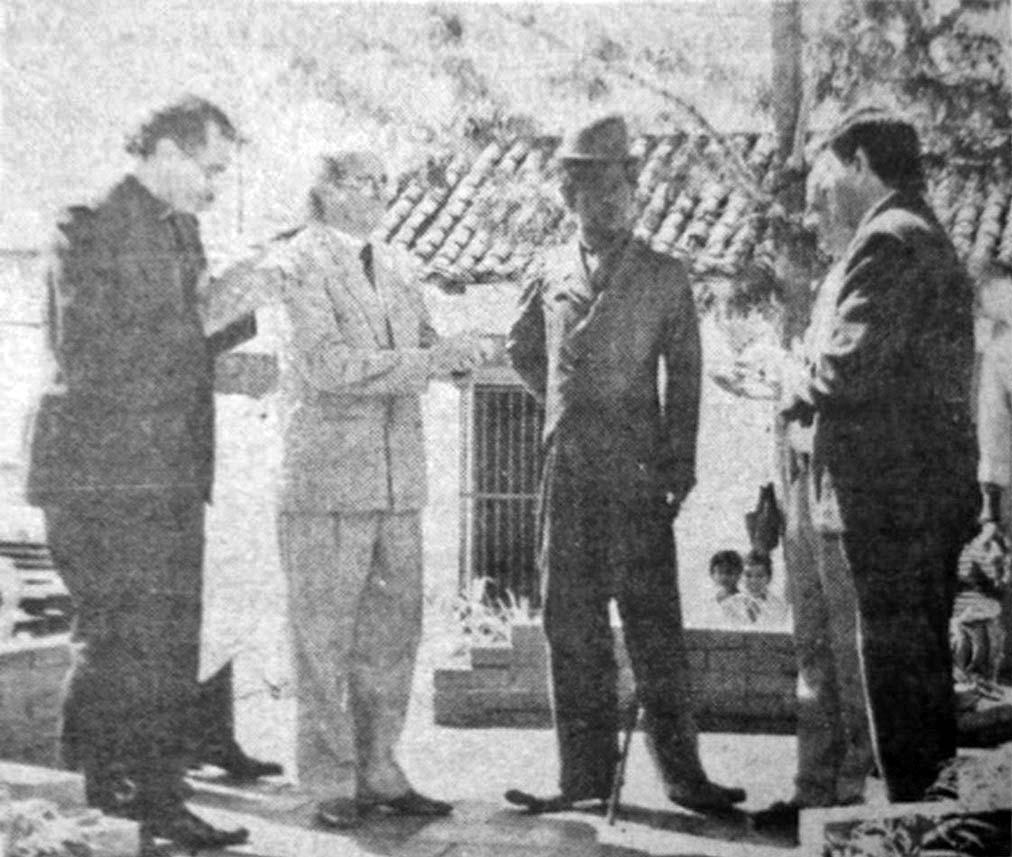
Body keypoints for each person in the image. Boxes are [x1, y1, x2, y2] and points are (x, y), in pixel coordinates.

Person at [201, 151, 490, 830]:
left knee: (392, 640)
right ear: (324, 191)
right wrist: (428, 362)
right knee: (323, 640)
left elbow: (423, 342)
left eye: (383, 181)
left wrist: (459, 356)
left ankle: (381, 770)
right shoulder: (298, 261)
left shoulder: (397, 263)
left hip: (397, 483)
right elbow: (327, 366)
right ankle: (332, 783)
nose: (379, 192)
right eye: (361, 182)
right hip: (326, 482)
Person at [24, 96, 250, 851]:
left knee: (168, 644)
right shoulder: (85, 223)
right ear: (165, 151)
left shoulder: (180, 227)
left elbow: (182, 346)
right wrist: (205, 323)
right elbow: (92, 358)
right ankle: (91, 809)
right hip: (99, 476)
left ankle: (156, 802)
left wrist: (239, 305)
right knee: (117, 639)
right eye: (210, 169)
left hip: (170, 472)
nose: (216, 188)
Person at [503, 115, 746, 815]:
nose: (609, 201)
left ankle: (684, 777)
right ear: (569, 194)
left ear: (636, 193)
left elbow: (688, 375)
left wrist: (681, 463)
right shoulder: (546, 270)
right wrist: (562, 409)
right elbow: (523, 350)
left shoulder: (665, 275)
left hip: (640, 476)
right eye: (593, 188)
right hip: (569, 472)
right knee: (570, 624)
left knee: (654, 629)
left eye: (621, 187)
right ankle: (581, 776)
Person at [779, 108, 978, 804]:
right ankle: (926, 823)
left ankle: (916, 828)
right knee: (915, 689)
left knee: (900, 695)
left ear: (861, 163)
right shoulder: (919, 231)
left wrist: (787, 378)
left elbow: (848, 368)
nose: (825, 185)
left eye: (832, 168)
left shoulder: (887, 239)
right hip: (918, 499)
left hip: (894, 504)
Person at [753, 150, 874, 838]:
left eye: (827, 203)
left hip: (842, 488)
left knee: (847, 646)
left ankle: (853, 796)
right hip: (804, 479)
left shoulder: (870, 271)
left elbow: (837, 378)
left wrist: (784, 370)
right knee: (813, 647)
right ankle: (813, 788)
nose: (817, 218)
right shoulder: (833, 277)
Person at [737, 551, 789, 626]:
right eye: (748, 575)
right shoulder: (731, 604)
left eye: (760, 576)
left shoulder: (780, 606)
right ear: (741, 577)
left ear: (769, 578)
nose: (753, 581)